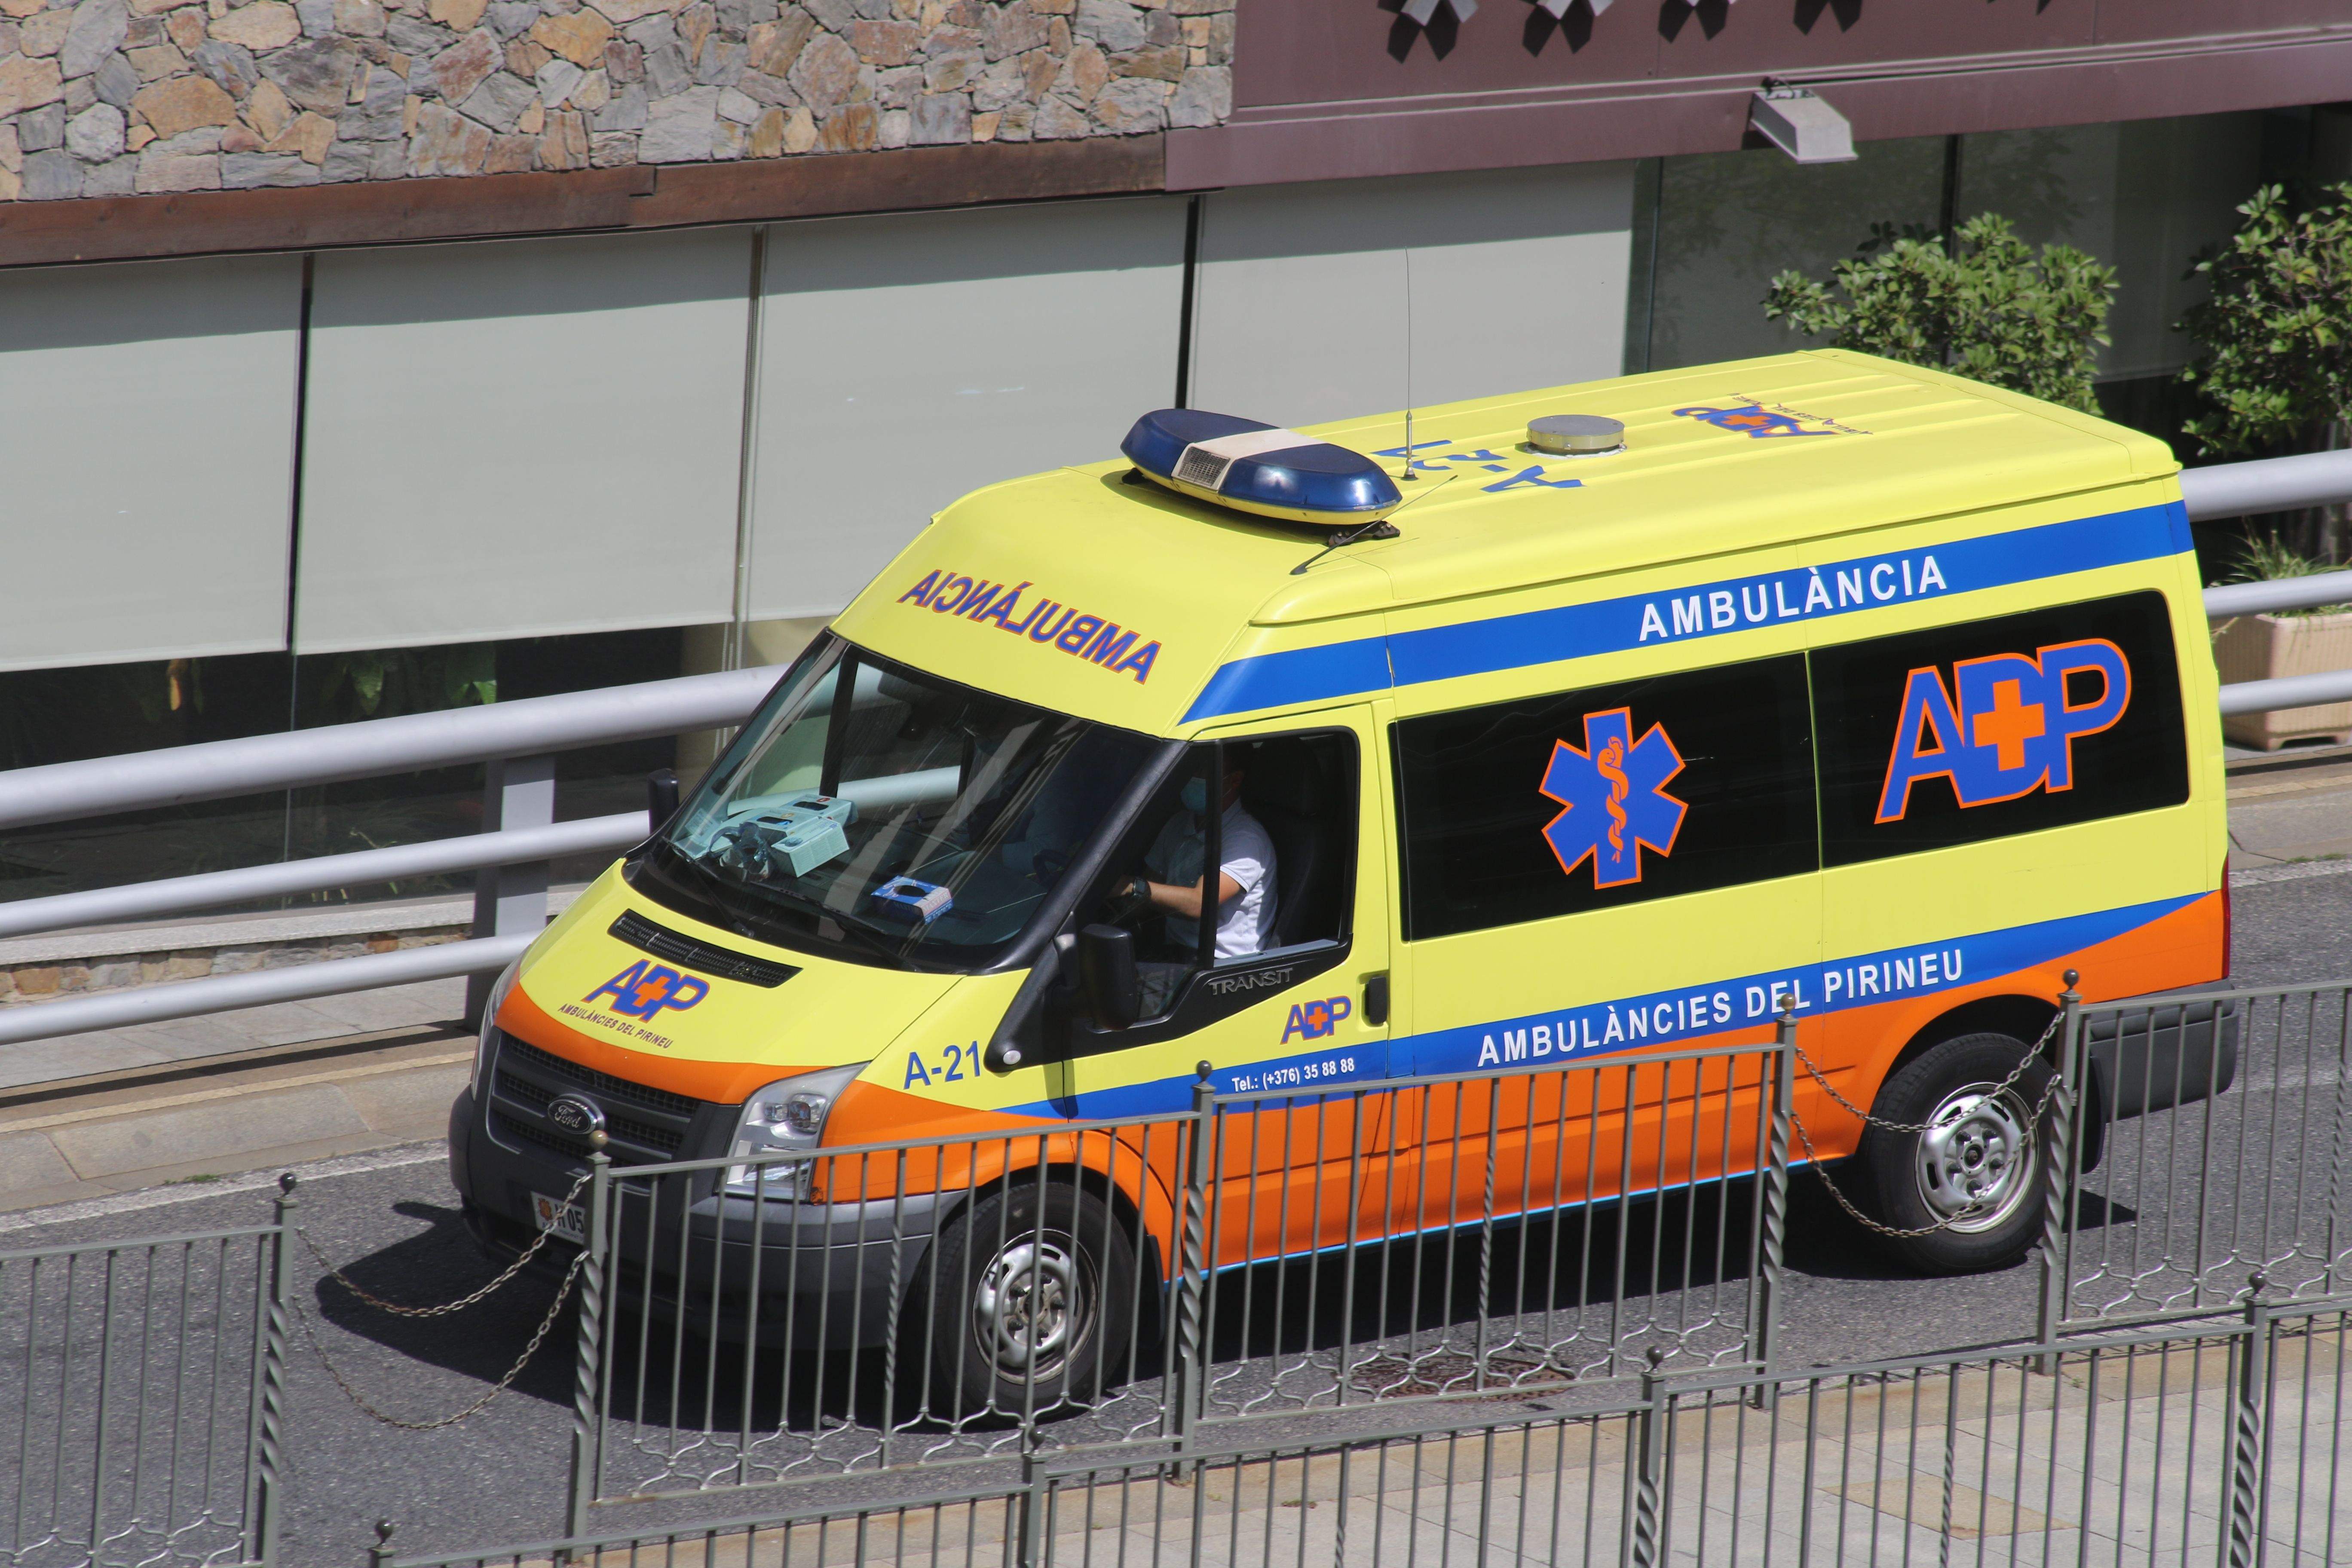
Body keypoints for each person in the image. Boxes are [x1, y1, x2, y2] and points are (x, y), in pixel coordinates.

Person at [1111, 763, 1278, 1017]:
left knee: (1109, 996)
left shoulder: (1245, 838)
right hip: (1174, 954)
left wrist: (1131, 887)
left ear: (1234, 780)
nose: (1192, 779)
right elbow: (1147, 893)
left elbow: (1200, 903)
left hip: (1221, 971)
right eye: (1191, 769)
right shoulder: (1180, 823)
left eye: (1203, 772)